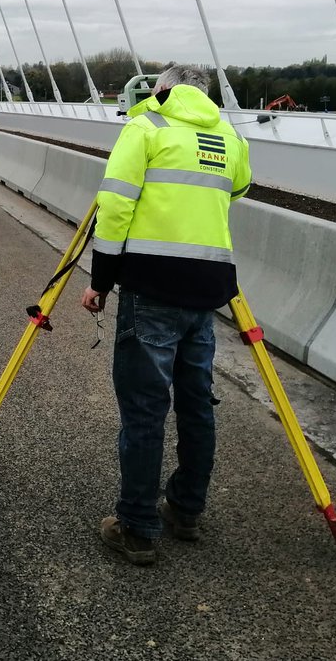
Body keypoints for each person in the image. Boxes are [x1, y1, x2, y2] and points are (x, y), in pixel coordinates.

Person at [80, 64, 251, 566]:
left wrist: (100, 280)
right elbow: (237, 190)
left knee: (144, 411)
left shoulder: (145, 127)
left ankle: (136, 525)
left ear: (162, 90)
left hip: (151, 288)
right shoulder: (229, 134)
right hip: (207, 291)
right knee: (196, 407)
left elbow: (114, 206)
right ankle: (186, 510)